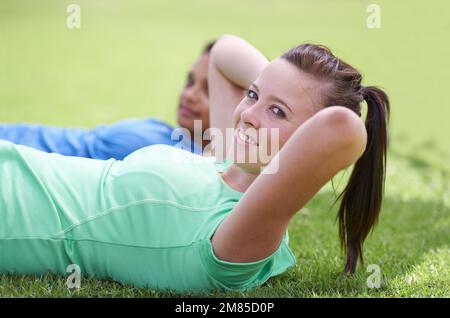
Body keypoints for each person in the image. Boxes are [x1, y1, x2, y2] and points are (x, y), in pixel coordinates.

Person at [0, 34, 390, 293]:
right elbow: (223, 52)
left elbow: (343, 129)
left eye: (277, 111)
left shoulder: (238, 236)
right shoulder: (220, 158)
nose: (250, 114)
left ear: (311, 143)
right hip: (16, 162)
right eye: (252, 95)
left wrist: (307, 105)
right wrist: (281, 88)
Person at [0, 41, 215, 159]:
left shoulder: (193, 160)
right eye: (189, 82)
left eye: (209, 91)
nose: (189, 95)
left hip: (18, 159)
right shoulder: (170, 137)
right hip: (14, 141)